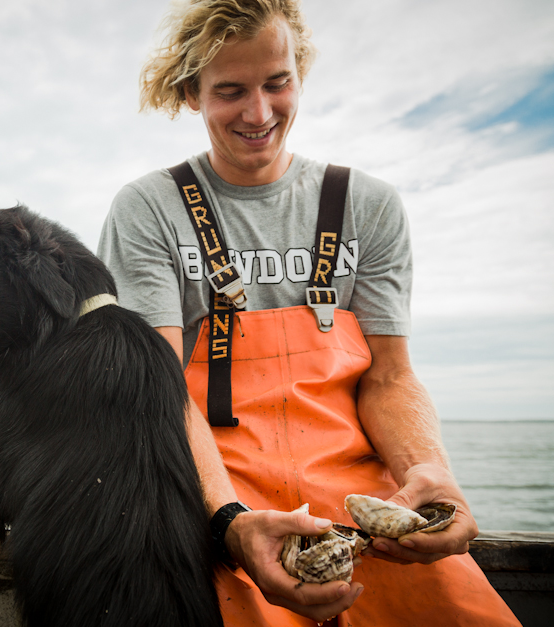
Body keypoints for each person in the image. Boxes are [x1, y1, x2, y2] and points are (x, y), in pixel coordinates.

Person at [97, 1, 521, 625]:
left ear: (299, 73)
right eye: (230, 91)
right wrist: (230, 526)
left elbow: (390, 377)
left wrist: (426, 471)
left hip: (355, 498)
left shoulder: (368, 205)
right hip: (212, 494)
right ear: (191, 93)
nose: (259, 113)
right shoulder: (148, 209)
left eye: (277, 83)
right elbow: (157, 394)